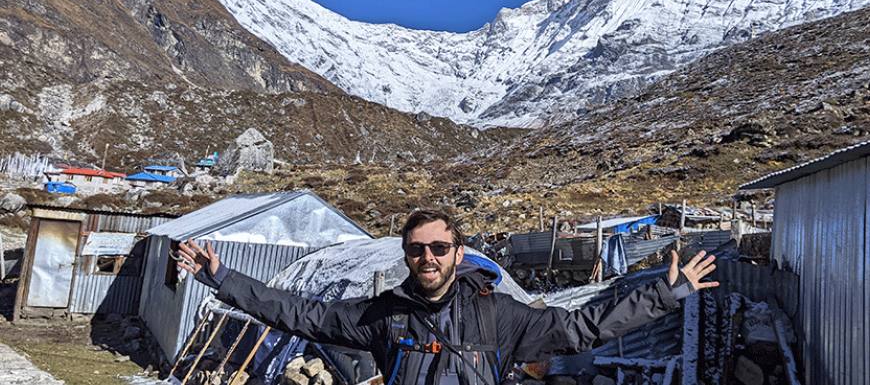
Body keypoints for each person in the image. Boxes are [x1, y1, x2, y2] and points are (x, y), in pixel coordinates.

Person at [177, 209, 718, 385]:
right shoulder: (380, 315)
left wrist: (664, 295)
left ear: (459, 253)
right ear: (406, 255)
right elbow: (299, 313)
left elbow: (580, 329)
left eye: (440, 247)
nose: (428, 258)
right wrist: (223, 277)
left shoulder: (501, 316)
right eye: (417, 250)